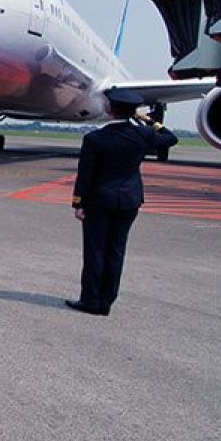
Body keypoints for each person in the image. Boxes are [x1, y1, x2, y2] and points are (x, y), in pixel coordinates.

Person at [68, 88, 178, 316]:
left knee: (95, 251)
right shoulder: (143, 135)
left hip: (99, 201)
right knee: (116, 250)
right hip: (129, 201)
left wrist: (79, 203)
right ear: (133, 112)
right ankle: (106, 301)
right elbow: (170, 138)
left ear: (109, 109)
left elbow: (85, 174)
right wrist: (149, 120)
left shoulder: (94, 139)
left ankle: (90, 300)